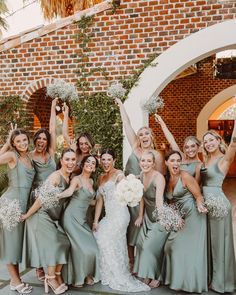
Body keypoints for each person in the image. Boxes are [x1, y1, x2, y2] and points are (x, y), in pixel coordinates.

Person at [115, 98, 164, 268]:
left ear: (152, 136)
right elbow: (126, 124)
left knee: (140, 227)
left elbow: (158, 177)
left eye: (146, 133)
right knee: (128, 227)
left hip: (143, 196)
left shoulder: (156, 155)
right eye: (141, 133)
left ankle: (143, 263)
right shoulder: (135, 147)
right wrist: (121, 105)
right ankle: (131, 261)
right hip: (126, 195)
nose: (143, 136)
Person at [92, 149, 150, 292]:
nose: (105, 162)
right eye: (103, 159)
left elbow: (136, 192)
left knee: (105, 239)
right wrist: (95, 220)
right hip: (108, 216)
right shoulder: (101, 177)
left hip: (120, 215)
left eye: (108, 159)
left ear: (114, 161)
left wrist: (141, 214)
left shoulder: (119, 175)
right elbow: (100, 200)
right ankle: (105, 271)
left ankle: (117, 273)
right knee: (98, 236)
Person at [21, 148, 76, 295]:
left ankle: (56, 276)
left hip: (52, 217)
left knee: (64, 242)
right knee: (54, 244)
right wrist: (27, 215)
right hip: (40, 215)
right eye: (67, 159)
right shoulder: (55, 177)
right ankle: (50, 278)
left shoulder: (70, 178)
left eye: (73, 159)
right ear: (62, 161)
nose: (70, 163)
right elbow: (41, 199)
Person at [163, 150, 208, 293]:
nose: (176, 163)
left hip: (194, 215)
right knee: (171, 246)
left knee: (189, 250)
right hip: (180, 217)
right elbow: (171, 202)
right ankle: (178, 280)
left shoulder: (186, 176)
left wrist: (200, 205)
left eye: (178, 161)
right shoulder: (167, 179)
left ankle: (191, 284)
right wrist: (174, 217)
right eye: (172, 160)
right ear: (166, 163)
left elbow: (199, 196)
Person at [200, 126, 236, 293]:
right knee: (209, 243)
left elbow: (234, 145)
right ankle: (211, 278)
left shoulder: (224, 159)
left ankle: (221, 282)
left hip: (219, 205)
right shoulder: (205, 160)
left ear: (218, 140)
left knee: (219, 245)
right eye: (206, 141)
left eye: (211, 140)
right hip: (206, 206)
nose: (208, 144)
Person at [0, 129, 35, 294]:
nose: (22, 143)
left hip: (24, 205)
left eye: (24, 140)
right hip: (11, 204)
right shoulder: (12, 155)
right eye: (18, 141)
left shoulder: (28, 157)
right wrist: (6, 144)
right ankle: (15, 281)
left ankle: (16, 279)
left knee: (15, 243)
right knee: (10, 244)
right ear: (14, 143)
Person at [58, 155, 100, 287]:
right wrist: (57, 195)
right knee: (80, 248)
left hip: (83, 220)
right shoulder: (76, 179)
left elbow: (91, 201)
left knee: (93, 249)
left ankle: (86, 274)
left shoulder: (92, 182)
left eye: (93, 163)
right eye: (88, 161)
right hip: (71, 218)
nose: (90, 164)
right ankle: (79, 278)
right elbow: (70, 192)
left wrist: (108, 201)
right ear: (83, 164)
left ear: (94, 169)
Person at [29, 98, 57, 281]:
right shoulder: (30, 156)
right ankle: (39, 266)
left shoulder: (51, 152)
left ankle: (53, 265)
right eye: (38, 138)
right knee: (39, 234)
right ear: (35, 140)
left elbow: (53, 129)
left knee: (54, 232)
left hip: (54, 197)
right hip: (38, 197)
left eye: (44, 139)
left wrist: (54, 107)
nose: (41, 141)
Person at [133, 151, 168, 288]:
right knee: (141, 244)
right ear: (139, 163)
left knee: (150, 247)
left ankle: (156, 276)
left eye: (148, 161)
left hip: (159, 217)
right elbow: (142, 198)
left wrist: (163, 219)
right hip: (147, 216)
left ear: (154, 163)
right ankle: (146, 274)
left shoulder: (159, 178)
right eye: (143, 161)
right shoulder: (141, 175)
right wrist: (141, 216)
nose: (145, 163)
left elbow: (159, 200)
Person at [156, 115, 202, 181]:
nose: (190, 150)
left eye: (193, 146)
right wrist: (162, 123)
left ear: (198, 147)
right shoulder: (182, 158)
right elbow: (171, 141)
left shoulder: (200, 165)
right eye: (187, 147)